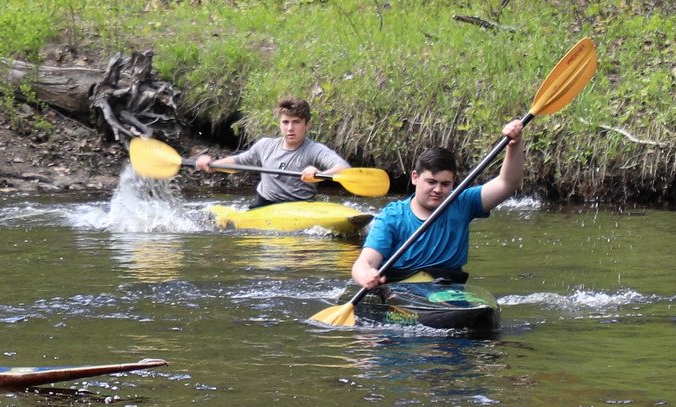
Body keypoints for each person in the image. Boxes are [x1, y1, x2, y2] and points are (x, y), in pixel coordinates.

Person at [351, 120, 524, 290]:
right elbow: (365, 261)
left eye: (445, 184)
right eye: (431, 182)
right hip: (401, 291)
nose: (438, 190)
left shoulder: (462, 203)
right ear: (415, 177)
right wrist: (366, 275)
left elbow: (507, 183)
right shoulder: (392, 217)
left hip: (447, 290)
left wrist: (514, 145)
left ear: (453, 182)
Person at [193, 97, 351, 208]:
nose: (290, 128)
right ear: (280, 124)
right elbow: (238, 163)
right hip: (264, 205)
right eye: (285, 122)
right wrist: (212, 164)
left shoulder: (315, 150)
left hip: (300, 207)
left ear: (307, 125)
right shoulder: (265, 145)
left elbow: (343, 168)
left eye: (296, 122)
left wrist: (319, 174)